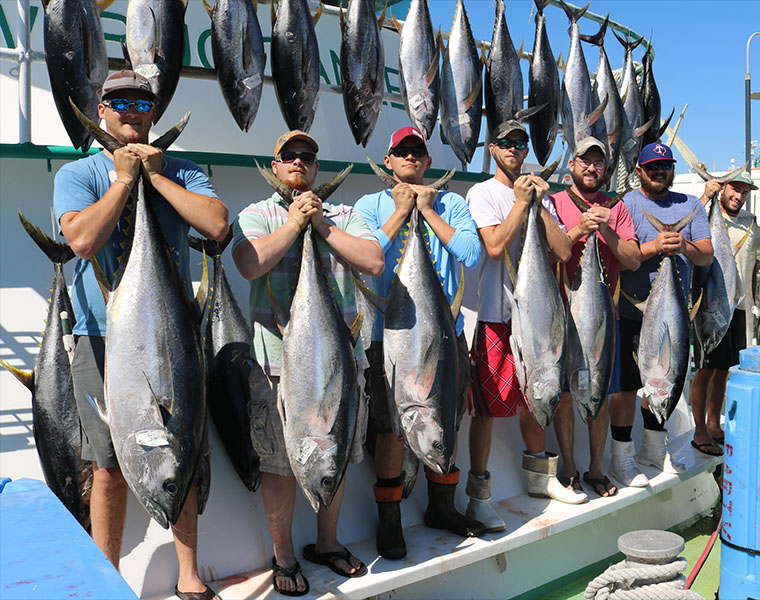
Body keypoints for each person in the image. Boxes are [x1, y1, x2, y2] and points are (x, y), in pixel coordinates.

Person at [54, 70, 229, 600]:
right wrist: (124, 180)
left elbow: (218, 225)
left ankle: (190, 575)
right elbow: (81, 239)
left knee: (185, 451)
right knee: (107, 466)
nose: (132, 111)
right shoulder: (77, 172)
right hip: (100, 334)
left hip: (172, 331)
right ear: (101, 111)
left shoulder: (183, 170)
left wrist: (154, 177)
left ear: (152, 114)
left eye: (142, 103)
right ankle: (108, 579)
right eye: (119, 102)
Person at [232, 130, 383, 595]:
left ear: (317, 169)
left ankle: (328, 543)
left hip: (341, 364)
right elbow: (248, 263)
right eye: (289, 156)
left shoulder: (344, 214)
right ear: (275, 167)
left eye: (308, 157)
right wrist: (295, 225)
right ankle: (284, 557)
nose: (299, 162)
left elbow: (374, 261)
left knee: (332, 451)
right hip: (279, 366)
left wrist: (321, 225)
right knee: (279, 463)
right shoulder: (258, 213)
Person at [353, 126, 483, 559]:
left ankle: (442, 509)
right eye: (401, 152)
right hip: (390, 336)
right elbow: (368, 257)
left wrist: (428, 212)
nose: (410, 157)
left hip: (444, 332)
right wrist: (400, 210)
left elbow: (471, 253)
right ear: (388, 161)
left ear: (427, 163)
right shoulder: (369, 205)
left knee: (447, 416)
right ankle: (390, 524)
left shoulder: (451, 202)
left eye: (417, 152)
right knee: (392, 428)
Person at [464, 120, 578, 533]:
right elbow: (494, 248)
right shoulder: (482, 193)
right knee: (488, 408)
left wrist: (540, 206)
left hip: (535, 316)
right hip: (493, 315)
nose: (515, 149)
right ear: (493, 149)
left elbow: (564, 250)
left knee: (537, 396)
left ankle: (542, 481)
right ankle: (479, 499)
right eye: (508, 143)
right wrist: (519, 202)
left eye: (521, 143)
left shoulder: (537, 198)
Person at [608, 142, 713, 488]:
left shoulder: (691, 205)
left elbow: (707, 256)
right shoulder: (625, 205)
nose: (659, 171)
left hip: (676, 314)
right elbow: (623, 251)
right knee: (625, 388)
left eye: (665, 165)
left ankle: (653, 449)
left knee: (666, 380)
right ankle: (621, 457)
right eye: (652, 166)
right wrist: (656, 246)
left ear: (672, 169)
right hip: (630, 310)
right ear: (639, 170)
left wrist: (683, 246)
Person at [549, 137, 642, 498]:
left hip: (605, 316)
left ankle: (597, 468)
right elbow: (552, 253)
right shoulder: (554, 202)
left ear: (605, 168)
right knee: (566, 394)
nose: (591, 168)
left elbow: (632, 259)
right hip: (563, 316)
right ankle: (569, 467)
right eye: (584, 162)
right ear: (571, 165)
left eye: (598, 163)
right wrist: (579, 229)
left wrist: (603, 229)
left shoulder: (615, 209)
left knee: (600, 391)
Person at [688, 171, 760, 456]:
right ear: (724, 189)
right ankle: (699, 429)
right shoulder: (705, 216)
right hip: (711, 305)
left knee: (724, 371)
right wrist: (707, 194)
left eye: (743, 192)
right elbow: (687, 223)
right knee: (704, 370)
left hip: (739, 308)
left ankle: (714, 423)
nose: (738, 196)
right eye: (734, 189)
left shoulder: (750, 224)